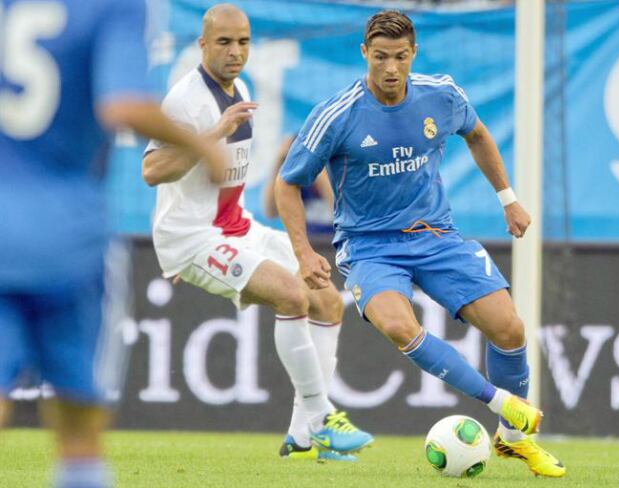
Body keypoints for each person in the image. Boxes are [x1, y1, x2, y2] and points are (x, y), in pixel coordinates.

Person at [275, 10, 565, 478]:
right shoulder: (338, 114)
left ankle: (512, 442)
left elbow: (477, 134)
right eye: (381, 57)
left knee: (509, 329)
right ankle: (502, 403)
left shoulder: (442, 94)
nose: (391, 68)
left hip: (435, 235)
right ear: (364, 54)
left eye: (401, 57)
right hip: (369, 246)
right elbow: (287, 183)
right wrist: (305, 253)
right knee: (397, 325)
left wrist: (508, 199)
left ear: (414, 55)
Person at [0, 0, 229, 487]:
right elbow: (121, 105)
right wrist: (201, 144)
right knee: (80, 426)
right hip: (69, 237)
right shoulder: (113, 5)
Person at [141, 4, 372, 461]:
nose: (235, 52)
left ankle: (303, 435)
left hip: (236, 226)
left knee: (325, 298)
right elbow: (151, 171)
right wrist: (214, 133)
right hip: (193, 237)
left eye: (243, 42)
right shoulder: (186, 100)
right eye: (224, 42)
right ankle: (324, 418)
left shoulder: (241, 87)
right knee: (290, 294)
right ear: (202, 44)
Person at [264, 134, 334, 236]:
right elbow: (270, 212)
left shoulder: (340, 175)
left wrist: (319, 170)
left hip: (335, 242)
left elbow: (341, 211)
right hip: (307, 243)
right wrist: (280, 163)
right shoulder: (298, 182)